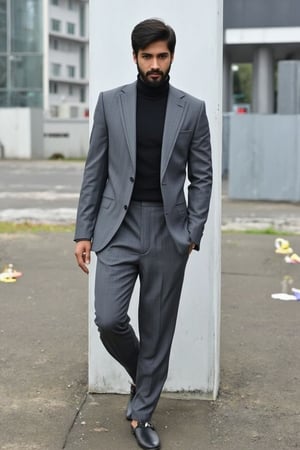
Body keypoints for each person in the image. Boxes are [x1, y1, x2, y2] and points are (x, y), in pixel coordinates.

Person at [74, 18, 212, 450]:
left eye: (162, 56)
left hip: (169, 231)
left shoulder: (192, 109)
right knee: (110, 319)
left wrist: (192, 230)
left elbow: (202, 177)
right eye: (147, 56)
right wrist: (84, 230)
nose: (155, 64)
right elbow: (94, 170)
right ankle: (146, 378)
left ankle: (142, 412)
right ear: (135, 57)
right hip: (117, 227)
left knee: (157, 328)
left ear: (171, 57)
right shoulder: (110, 103)